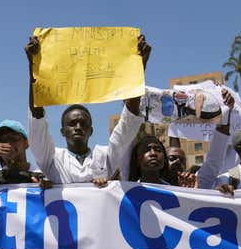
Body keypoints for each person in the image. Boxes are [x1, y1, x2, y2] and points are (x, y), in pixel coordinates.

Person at [25, 35, 150, 184]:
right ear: (62, 131)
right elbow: (37, 117)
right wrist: (34, 67)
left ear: (91, 130)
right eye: (72, 124)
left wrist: (139, 66)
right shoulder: (52, 158)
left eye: (83, 124)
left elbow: (128, 123)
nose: (78, 127)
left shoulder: (104, 156)